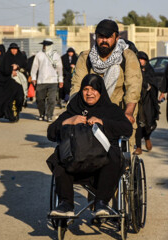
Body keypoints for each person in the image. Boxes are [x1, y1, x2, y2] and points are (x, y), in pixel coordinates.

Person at [47, 74, 133, 216]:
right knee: (60, 157)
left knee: (114, 155)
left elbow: (127, 129)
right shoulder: (73, 110)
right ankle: (65, 204)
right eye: (86, 89)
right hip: (76, 162)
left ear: (101, 91)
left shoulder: (112, 110)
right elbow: (50, 133)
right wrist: (69, 121)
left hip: (103, 164)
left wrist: (102, 122)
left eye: (93, 89)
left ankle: (101, 203)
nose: (89, 93)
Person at [70, 19, 142, 151]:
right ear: (96, 37)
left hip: (120, 111)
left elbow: (134, 85)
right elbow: (76, 86)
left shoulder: (127, 56)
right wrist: (72, 111)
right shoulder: (85, 58)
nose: (104, 40)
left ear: (117, 37)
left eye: (108, 37)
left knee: (122, 155)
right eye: (100, 37)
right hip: (91, 111)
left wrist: (129, 112)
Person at [0, 43, 28, 122]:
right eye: (12, 49)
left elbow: (26, 67)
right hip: (8, 81)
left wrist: (18, 67)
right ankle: (11, 116)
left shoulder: (21, 57)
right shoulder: (5, 58)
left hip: (20, 82)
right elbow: (3, 69)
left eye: (15, 49)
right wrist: (10, 71)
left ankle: (17, 112)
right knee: (9, 100)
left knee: (19, 98)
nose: (14, 50)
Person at [30, 38, 63, 122]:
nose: (45, 46)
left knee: (51, 100)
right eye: (44, 45)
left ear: (50, 45)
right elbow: (34, 67)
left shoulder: (56, 55)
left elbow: (60, 68)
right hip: (41, 81)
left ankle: (49, 115)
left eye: (47, 45)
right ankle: (42, 113)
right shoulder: (39, 55)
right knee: (40, 99)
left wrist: (61, 79)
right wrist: (33, 78)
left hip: (53, 81)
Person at [134, 51, 160, 155]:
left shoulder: (150, 70)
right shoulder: (134, 70)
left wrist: (148, 86)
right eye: (139, 59)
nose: (140, 61)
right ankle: (139, 146)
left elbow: (154, 84)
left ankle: (147, 137)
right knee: (138, 123)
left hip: (148, 101)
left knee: (149, 122)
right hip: (137, 101)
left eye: (142, 59)